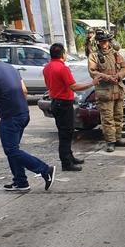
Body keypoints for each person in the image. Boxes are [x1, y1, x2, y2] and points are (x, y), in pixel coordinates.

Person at [0, 42, 56, 192]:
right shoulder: (10, 67)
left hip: (11, 117)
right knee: (13, 149)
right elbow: (24, 90)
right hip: (23, 113)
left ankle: (45, 170)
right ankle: (20, 182)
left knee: (11, 150)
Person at [43, 43, 99, 171]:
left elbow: (49, 85)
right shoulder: (62, 68)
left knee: (66, 132)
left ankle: (69, 157)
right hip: (63, 104)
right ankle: (66, 163)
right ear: (62, 54)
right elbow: (74, 86)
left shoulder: (47, 67)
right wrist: (92, 83)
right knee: (65, 134)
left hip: (56, 102)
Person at [88, 29, 125, 153]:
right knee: (107, 118)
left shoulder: (116, 54)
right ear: (98, 43)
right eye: (101, 42)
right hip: (105, 92)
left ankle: (118, 138)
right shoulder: (94, 56)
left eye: (106, 41)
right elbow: (92, 72)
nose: (104, 44)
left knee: (119, 116)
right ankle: (110, 141)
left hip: (118, 90)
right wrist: (106, 77)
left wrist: (119, 76)